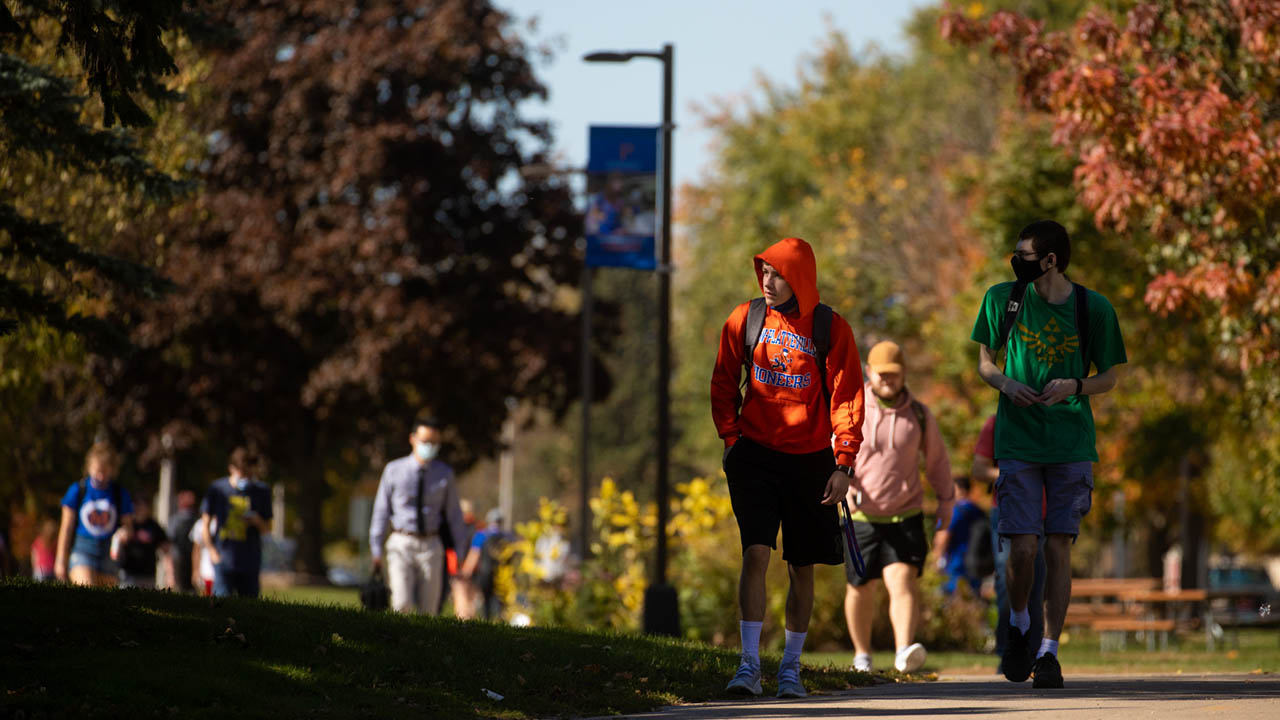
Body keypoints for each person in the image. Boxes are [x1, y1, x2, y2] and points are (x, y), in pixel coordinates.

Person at [972, 220, 1127, 688]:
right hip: (1017, 441)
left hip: (1071, 443)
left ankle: (1049, 652)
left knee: (1059, 546)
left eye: (1024, 254)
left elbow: (1110, 377)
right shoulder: (1003, 299)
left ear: (1052, 260)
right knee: (1023, 547)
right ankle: (1020, 624)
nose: (1015, 260)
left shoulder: (1092, 307)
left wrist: (1075, 385)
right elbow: (984, 362)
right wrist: (1005, 382)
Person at [711, 236, 865, 699]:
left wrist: (844, 463)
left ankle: (790, 670)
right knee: (755, 553)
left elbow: (848, 399)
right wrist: (731, 437)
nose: (766, 280)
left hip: (812, 462)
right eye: (763, 271)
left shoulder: (831, 328)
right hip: (755, 455)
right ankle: (749, 667)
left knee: (802, 566)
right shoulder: (746, 317)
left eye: (776, 273)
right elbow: (722, 381)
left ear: (797, 277)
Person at [842, 341, 955, 674]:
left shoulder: (919, 414)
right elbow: (834, 452)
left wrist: (946, 502)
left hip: (904, 513)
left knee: (902, 583)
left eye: (895, 374)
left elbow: (938, 463)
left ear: (904, 373)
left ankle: (904, 651)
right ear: (869, 373)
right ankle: (862, 656)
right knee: (860, 586)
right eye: (882, 374)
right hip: (861, 515)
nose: (888, 380)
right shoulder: (852, 407)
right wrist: (843, 485)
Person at [368, 417, 468, 615]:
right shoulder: (393, 470)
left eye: (434, 443)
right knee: (401, 603)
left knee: (429, 609)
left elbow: (454, 515)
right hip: (401, 542)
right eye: (425, 441)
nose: (429, 446)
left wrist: (460, 550)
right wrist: (376, 548)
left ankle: (423, 645)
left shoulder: (444, 474)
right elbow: (381, 510)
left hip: (431, 545)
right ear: (413, 439)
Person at [974, 414, 1046, 674]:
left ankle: (1036, 654)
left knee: (1038, 585)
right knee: (1007, 581)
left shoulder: (1058, 418)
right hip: (1006, 510)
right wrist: (1011, 474)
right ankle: (1008, 652)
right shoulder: (997, 422)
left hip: (1046, 512)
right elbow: (978, 469)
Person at [55, 442, 134, 587]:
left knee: (105, 601)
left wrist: (124, 533)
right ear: (89, 467)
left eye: (104, 472)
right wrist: (61, 559)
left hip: (109, 553)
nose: (100, 476)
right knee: (87, 588)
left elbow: (128, 526)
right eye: (97, 471)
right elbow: (66, 527)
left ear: (112, 470)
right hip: (83, 550)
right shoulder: (77, 490)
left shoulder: (119, 494)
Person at [200, 447, 273, 598]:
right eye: (242, 472)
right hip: (223, 559)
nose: (246, 476)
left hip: (250, 561)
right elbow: (205, 524)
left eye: (249, 472)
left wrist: (257, 521)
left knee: (249, 608)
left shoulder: (262, 491)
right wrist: (212, 552)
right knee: (221, 604)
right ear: (232, 468)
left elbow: (267, 529)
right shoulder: (217, 489)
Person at [460, 508, 512, 620]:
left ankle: (487, 622)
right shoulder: (507, 536)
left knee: (486, 602)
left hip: (485, 573)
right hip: (503, 576)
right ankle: (500, 623)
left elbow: (474, 554)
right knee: (500, 603)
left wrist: (466, 571)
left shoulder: (482, 535)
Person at [940, 476, 988, 595]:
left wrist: (939, 556)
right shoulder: (978, 511)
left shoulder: (954, 510)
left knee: (951, 596)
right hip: (977, 560)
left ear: (959, 489)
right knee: (973, 595)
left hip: (956, 561)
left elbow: (944, 535)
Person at [118, 496, 174, 589]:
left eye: (142, 505)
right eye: (136, 505)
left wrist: (170, 574)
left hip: (149, 575)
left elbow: (166, 550)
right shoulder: (127, 525)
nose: (139, 509)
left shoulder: (154, 526)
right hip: (128, 574)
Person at [168, 490, 199, 593]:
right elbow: (170, 543)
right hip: (179, 559)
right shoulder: (176, 520)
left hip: (193, 558)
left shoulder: (196, 519)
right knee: (181, 588)